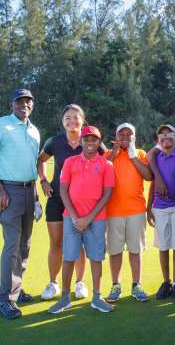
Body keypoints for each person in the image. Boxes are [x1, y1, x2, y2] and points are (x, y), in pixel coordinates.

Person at [48, 126, 114, 314]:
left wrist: (88, 218)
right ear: (81, 141)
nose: (90, 142)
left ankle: (97, 297)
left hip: (96, 219)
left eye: (94, 139)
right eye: (87, 139)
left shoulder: (106, 164)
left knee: (96, 258)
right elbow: (63, 190)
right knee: (69, 257)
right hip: (72, 219)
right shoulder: (70, 162)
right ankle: (65, 298)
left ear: (99, 142)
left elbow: (107, 194)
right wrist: (75, 217)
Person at [37, 104, 89, 301]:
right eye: (68, 117)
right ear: (62, 121)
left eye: (76, 117)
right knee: (56, 242)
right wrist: (43, 181)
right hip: (57, 199)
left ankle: (80, 282)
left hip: (81, 201)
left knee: (79, 242)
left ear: (82, 120)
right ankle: (53, 283)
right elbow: (40, 160)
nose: (71, 121)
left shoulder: (90, 140)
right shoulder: (55, 141)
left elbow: (106, 161)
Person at [0, 89, 40, 320]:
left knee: (25, 245)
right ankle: (5, 298)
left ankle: (16, 286)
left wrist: (36, 197)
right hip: (8, 191)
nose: (24, 105)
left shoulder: (34, 130)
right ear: (12, 104)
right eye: (19, 101)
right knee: (12, 245)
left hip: (29, 191)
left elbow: (32, 164)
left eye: (28, 101)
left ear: (32, 105)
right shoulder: (2, 125)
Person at [104, 123, 152, 303]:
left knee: (135, 250)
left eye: (129, 134)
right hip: (113, 211)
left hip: (136, 210)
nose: (125, 136)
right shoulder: (108, 154)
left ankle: (136, 285)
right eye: (121, 134)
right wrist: (114, 154)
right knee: (115, 250)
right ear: (116, 137)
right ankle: (116, 285)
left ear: (134, 137)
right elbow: (101, 173)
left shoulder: (140, 154)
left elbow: (148, 176)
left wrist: (133, 157)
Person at [147, 124, 175, 301]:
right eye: (161, 136)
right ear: (158, 140)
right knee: (163, 246)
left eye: (169, 134)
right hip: (160, 207)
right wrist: (148, 208)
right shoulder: (156, 157)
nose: (166, 138)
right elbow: (152, 183)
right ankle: (166, 282)